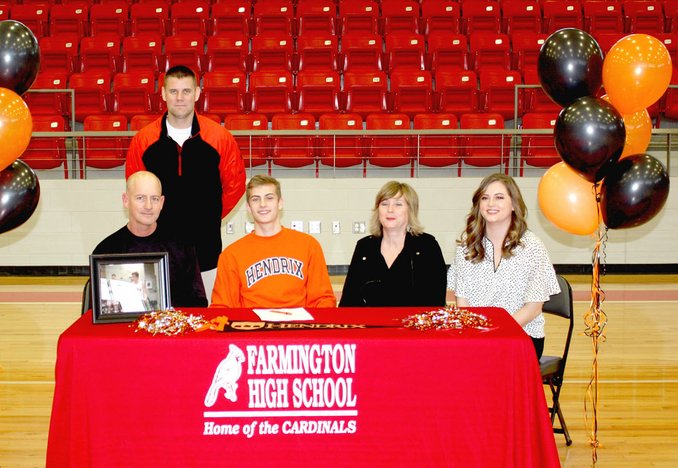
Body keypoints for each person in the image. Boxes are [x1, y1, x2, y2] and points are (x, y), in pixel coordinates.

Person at [125, 65, 246, 299]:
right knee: (160, 321)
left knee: (208, 321)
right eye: (173, 91)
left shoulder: (220, 138)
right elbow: (135, 189)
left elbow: (235, 185)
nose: (179, 98)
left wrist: (209, 216)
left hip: (206, 250)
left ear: (197, 93)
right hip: (157, 250)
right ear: (163, 94)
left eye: (186, 91)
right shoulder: (144, 140)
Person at [447, 173, 560, 360]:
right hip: (477, 336)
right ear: (479, 205)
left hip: (522, 335)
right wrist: (478, 333)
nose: (491, 204)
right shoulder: (466, 247)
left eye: (499, 197)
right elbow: (463, 303)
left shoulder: (531, 246)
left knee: (487, 361)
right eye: (485, 198)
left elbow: (533, 309)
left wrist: (496, 333)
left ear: (514, 205)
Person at [210, 175, 336, 309]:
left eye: (269, 198)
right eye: (255, 199)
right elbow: (222, 306)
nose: (262, 204)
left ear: (280, 203)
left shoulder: (309, 246)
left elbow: (323, 300)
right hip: (253, 327)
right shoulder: (231, 254)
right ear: (248, 207)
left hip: (298, 327)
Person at [93, 171, 207, 307]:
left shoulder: (183, 246)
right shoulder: (105, 250)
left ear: (162, 203)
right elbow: (97, 309)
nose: (148, 206)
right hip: (123, 327)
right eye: (140, 198)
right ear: (126, 200)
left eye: (154, 199)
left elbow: (198, 302)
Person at [339, 181, 447, 307]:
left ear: (411, 210)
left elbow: (436, 301)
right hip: (370, 324)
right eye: (384, 204)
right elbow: (348, 301)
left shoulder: (427, 246)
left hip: (413, 325)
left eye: (398, 204)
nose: (390, 210)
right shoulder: (364, 247)